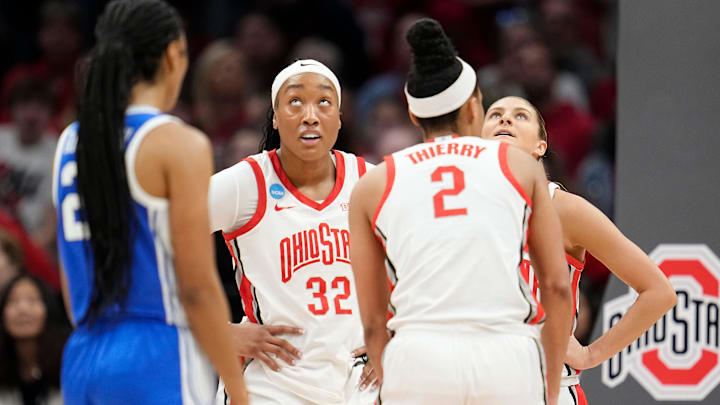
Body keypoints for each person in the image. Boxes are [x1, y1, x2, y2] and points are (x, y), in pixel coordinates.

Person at [349, 18, 573, 405]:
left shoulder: (372, 184)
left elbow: (371, 321)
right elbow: (555, 286)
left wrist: (396, 380)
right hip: (505, 355)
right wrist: (549, 387)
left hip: (418, 357)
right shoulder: (518, 165)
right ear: (473, 106)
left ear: (414, 115)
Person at [52, 1, 248, 403]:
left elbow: (71, 288)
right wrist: (238, 390)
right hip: (158, 353)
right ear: (173, 54)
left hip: (83, 354)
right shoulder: (178, 142)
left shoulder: (70, 140)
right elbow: (196, 288)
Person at [480, 95, 677, 405]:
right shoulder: (460, 210)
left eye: (520, 116)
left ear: (539, 146)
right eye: (495, 115)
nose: (505, 119)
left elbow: (659, 291)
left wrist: (591, 354)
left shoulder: (564, 210)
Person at [209, 59, 377, 405]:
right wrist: (217, 331)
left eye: (324, 102)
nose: (310, 115)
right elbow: (155, 238)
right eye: (295, 102)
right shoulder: (247, 184)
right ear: (274, 116)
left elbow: (428, 258)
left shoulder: (369, 181)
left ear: (340, 117)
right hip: (271, 386)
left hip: (356, 385)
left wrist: (394, 331)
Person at [0, 274, 70, 405]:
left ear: (49, 310)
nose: (23, 309)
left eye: (32, 300)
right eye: (12, 301)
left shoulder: (67, 364)